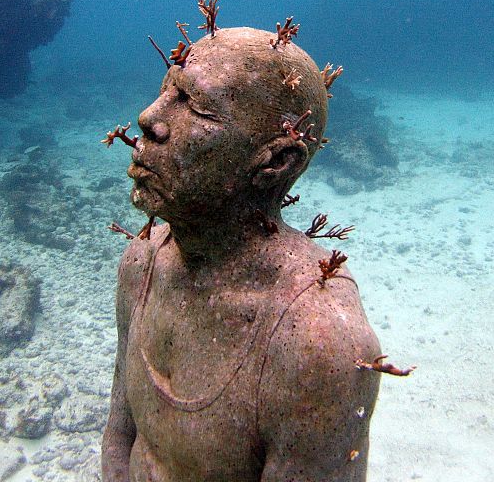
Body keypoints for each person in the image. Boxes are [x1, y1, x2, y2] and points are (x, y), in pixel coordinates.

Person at [102, 26, 381, 482]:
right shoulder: (142, 263)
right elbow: (120, 436)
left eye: (195, 105)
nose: (147, 117)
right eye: (165, 90)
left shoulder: (319, 345)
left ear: (276, 163)